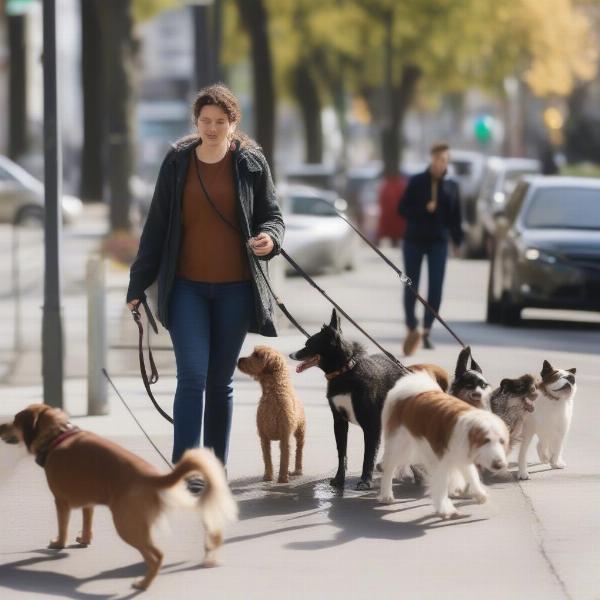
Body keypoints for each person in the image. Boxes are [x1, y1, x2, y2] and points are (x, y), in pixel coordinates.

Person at [126, 84, 285, 473]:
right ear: (196, 122)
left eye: (219, 121)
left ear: (233, 123)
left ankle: (215, 467)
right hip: (186, 289)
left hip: (235, 290)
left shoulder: (251, 163)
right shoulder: (177, 162)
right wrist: (137, 285)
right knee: (192, 377)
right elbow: (156, 227)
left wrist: (271, 238)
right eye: (204, 121)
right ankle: (186, 468)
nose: (211, 128)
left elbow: (273, 216)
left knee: (219, 383)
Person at [398, 141, 463, 356]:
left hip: (438, 242)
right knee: (411, 285)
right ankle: (411, 326)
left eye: (445, 160)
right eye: (438, 159)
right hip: (414, 240)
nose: (441, 164)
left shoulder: (452, 186)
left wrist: (458, 241)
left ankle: (426, 329)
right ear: (432, 159)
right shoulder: (417, 182)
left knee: (436, 287)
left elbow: (456, 217)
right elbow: (402, 209)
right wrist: (422, 208)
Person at [376, 167, 407, 247]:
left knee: (394, 232)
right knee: (391, 231)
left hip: (395, 215)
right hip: (391, 215)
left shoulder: (391, 185)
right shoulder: (389, 185)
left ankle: (394, 242)